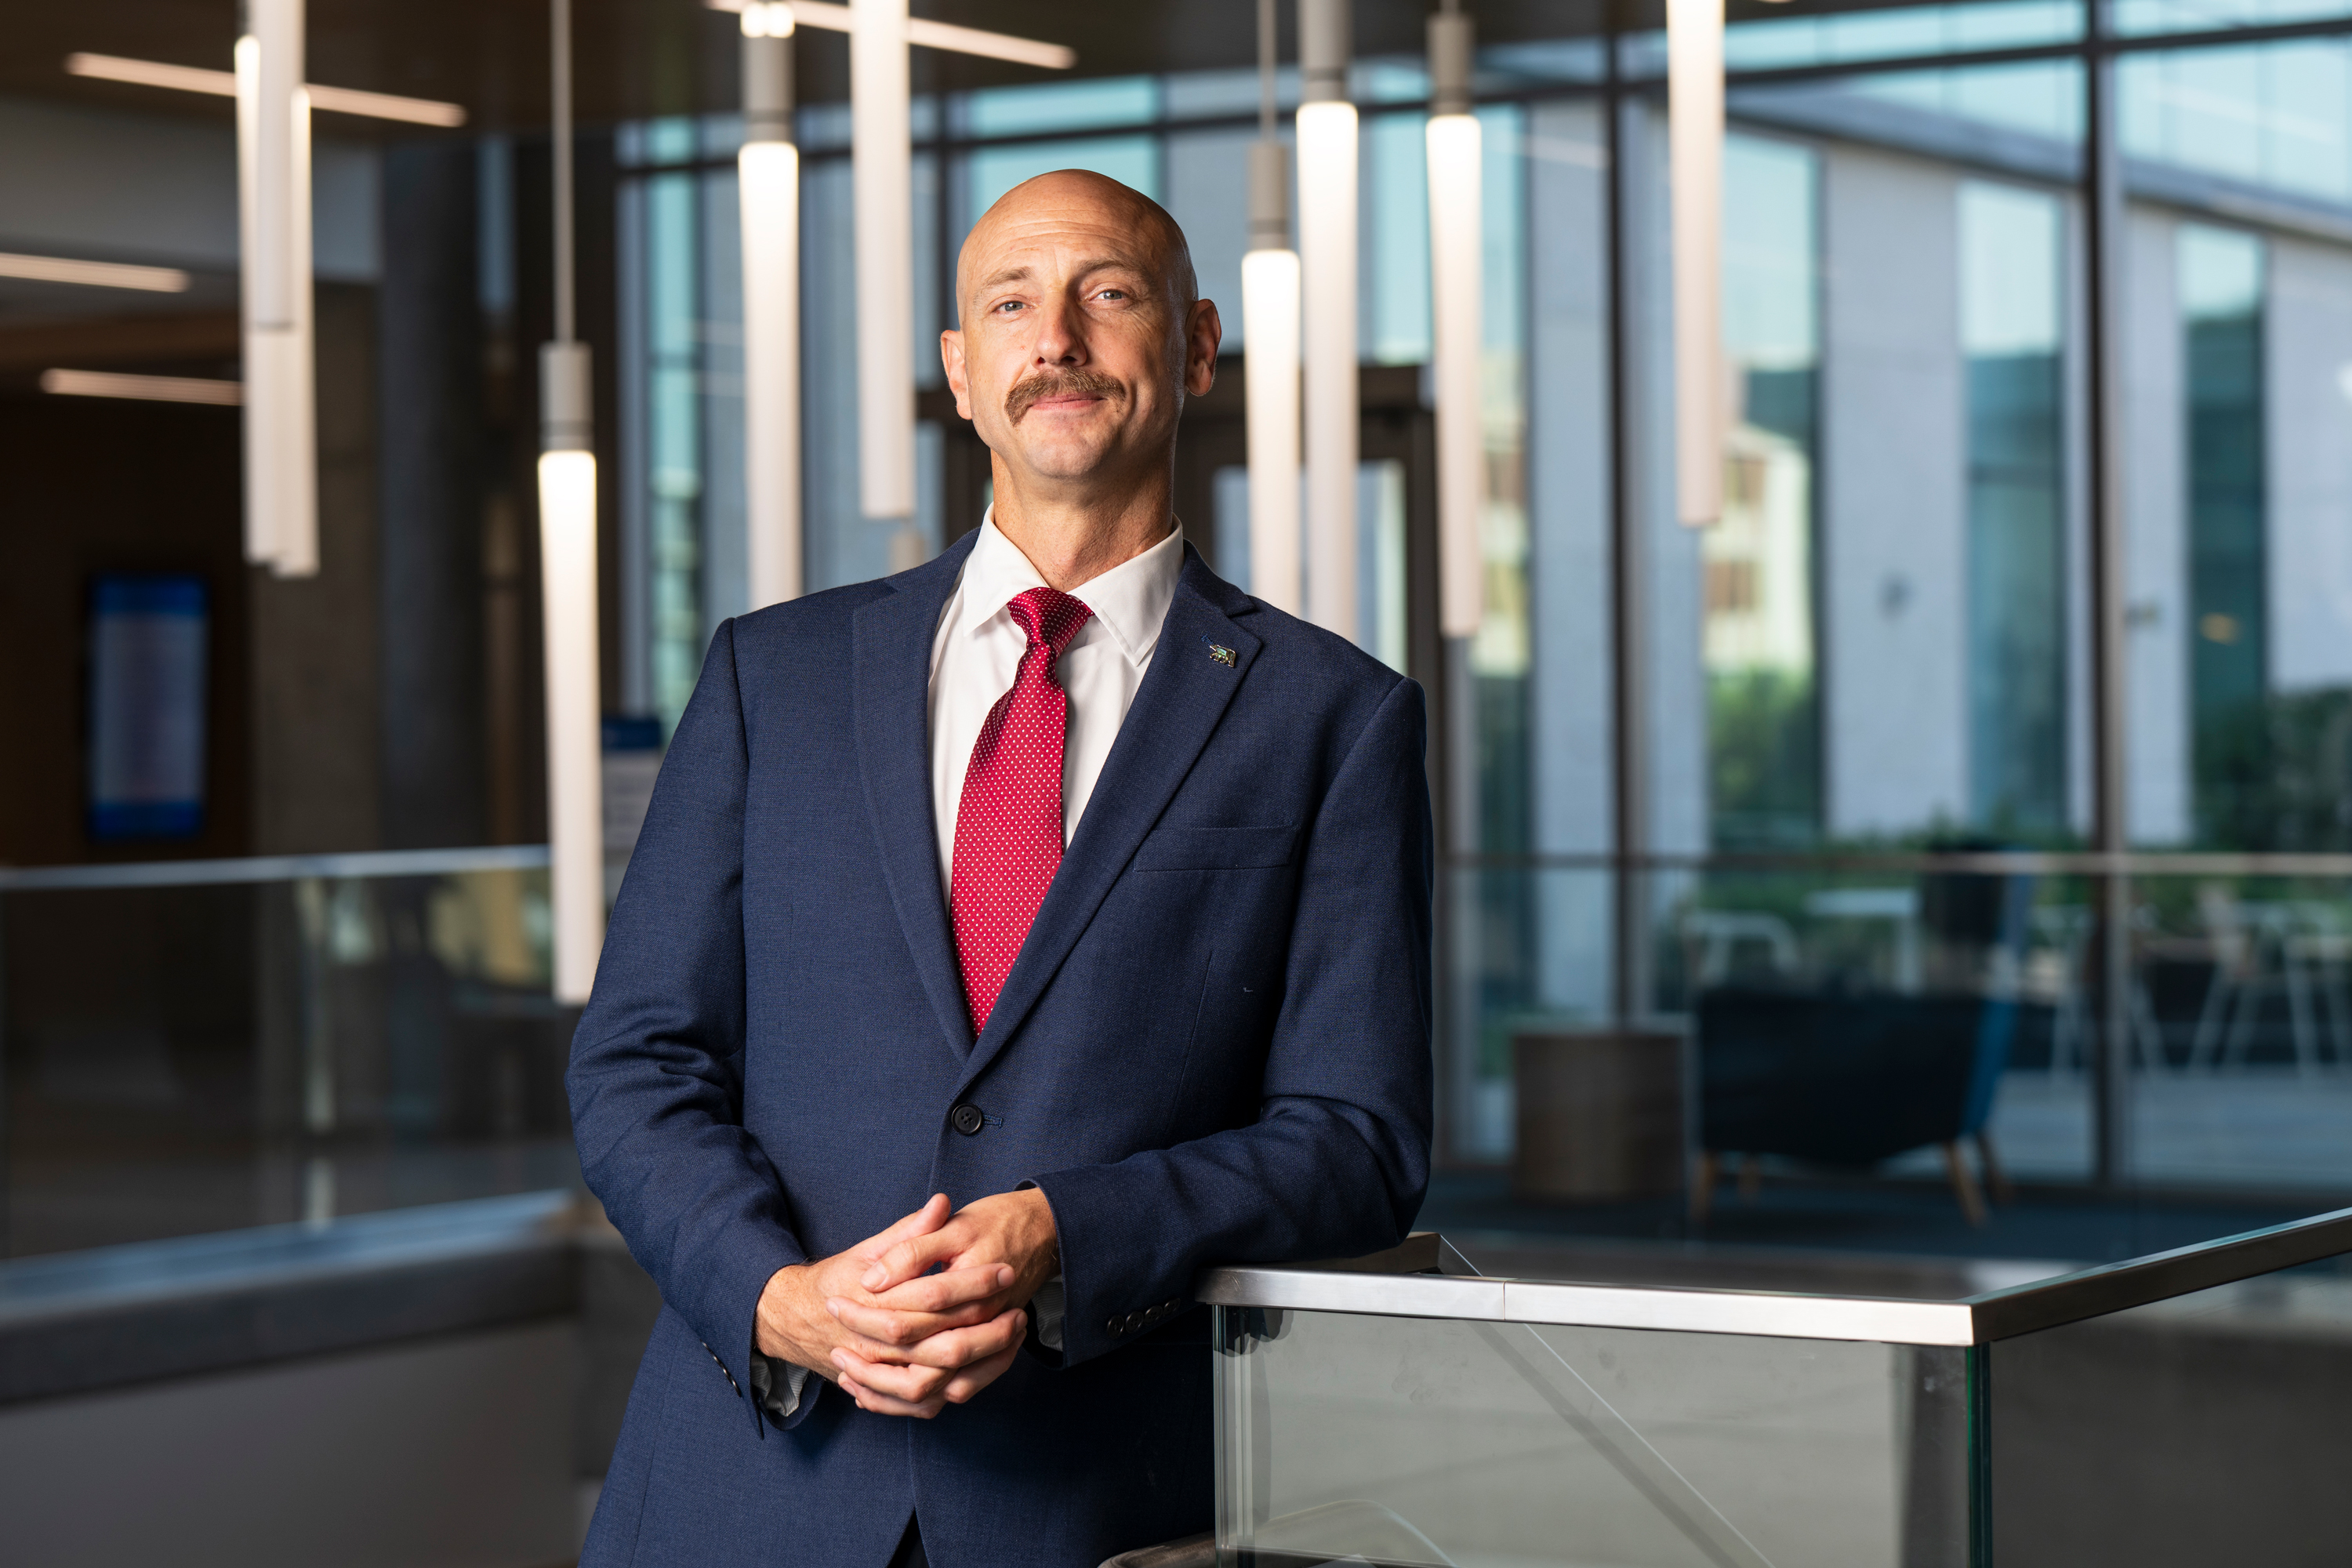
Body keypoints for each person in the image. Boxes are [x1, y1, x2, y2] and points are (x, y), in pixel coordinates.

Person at [568, 169, 1432, 1568]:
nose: (1060, 342)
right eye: (1013, 305)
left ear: (1197, 344)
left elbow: (1358, 1140)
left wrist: (1068, 1237)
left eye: (1109, 294)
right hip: (751, 1490)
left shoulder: (1332, 719)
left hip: (1097, 1507)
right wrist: (777, 1298)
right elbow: (636, 1061)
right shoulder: (768, 678)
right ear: (964, 376)